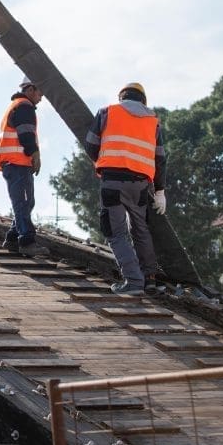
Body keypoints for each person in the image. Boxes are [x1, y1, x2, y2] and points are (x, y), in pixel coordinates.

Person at [84, 82, 168, 294]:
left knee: (116, 232)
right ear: (143, 100)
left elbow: (91, 144)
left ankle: (133, 281)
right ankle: (149, 279)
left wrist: (104, 162)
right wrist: (160, 191)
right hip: (140, 185)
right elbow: (160, 159)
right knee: (140, 229)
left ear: (122, 97)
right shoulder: (153, 121)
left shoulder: (107, 112)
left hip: (112, 181)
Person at [0, 76, 46, 257]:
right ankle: (27, 241)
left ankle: (13, 239)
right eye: (40, 93)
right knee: (22, 203)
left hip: (17, 163)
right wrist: (34, 153)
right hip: (16, 163)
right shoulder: (24, 106)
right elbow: (26, 134)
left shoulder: (18, 105)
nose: (41, 98)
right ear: (30, 89)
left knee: (26, 203)